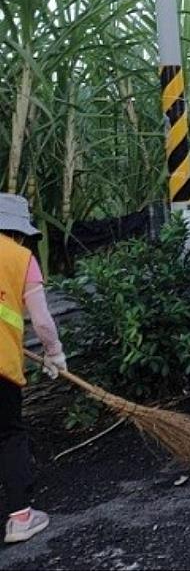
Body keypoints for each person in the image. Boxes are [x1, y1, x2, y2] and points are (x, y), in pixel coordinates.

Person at [0, 194, 67, 544]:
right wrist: (55, 354)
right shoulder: (21, 258)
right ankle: (21, 518)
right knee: (9, 435)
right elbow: (42, 322)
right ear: (17, 232)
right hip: (1, 369)